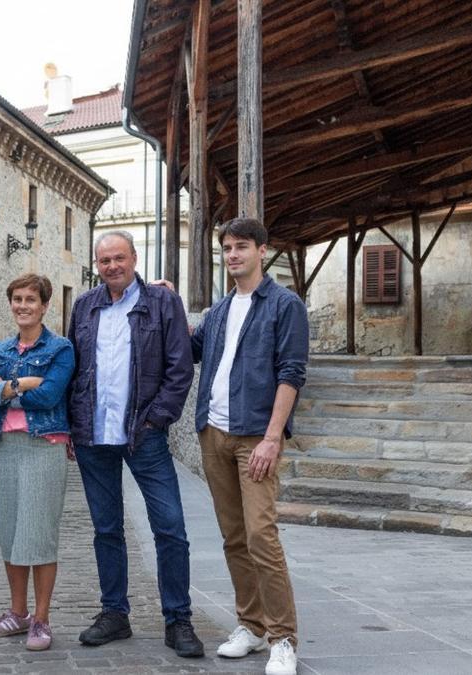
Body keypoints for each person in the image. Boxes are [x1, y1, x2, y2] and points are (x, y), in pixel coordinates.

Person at [66, 231, 203, 658]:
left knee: (170, 527)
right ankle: (114, 614)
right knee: (107, 529)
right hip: (94, 436)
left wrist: (155, 420)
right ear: (97, 263)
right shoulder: (84, 306)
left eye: (119, 258)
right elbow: (73, 367)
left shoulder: (163, 303)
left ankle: (178, 619)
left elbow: (180, 369)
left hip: (144, 436)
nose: (112, 266)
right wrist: (73, 426)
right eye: (104, 260)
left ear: (135, 258)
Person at [189, 218, 308, 675]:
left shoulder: (284, 305)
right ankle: (252, 625)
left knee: (262, 535)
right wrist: (157, 296)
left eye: (241, 247)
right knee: (234, 537)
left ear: (262, 250)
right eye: (226, 248)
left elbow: (291, 372)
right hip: (214, 433)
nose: (232, 255)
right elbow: (188, 349)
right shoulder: (218, 312)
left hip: (256, 435)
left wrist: (273, 438)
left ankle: (283, 638)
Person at [0, 274, 75, 651]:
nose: (22, 306)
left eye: (30, 299)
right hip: (6, 449)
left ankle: (42, 619)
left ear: (44, 305)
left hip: (43, 447)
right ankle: (17, 614)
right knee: (11, 533)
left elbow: (50, 396)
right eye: (17, 299)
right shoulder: (1, 348)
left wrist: (6, 387)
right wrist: (23, 384)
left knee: (39, 535)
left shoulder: (60, 349)